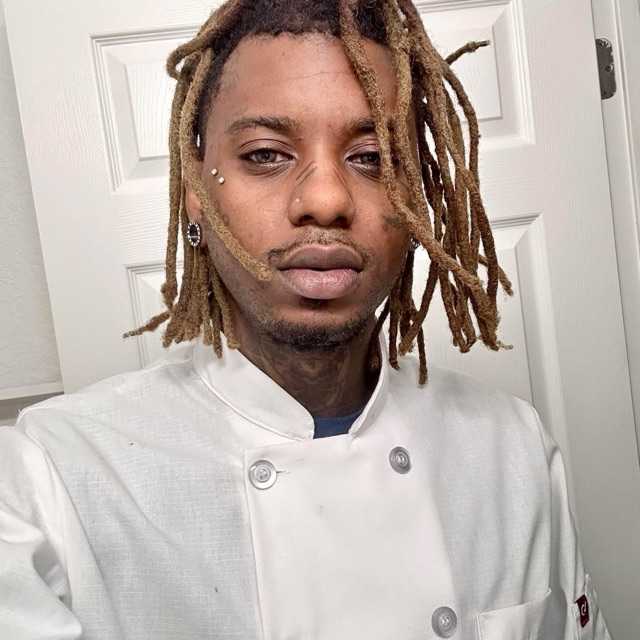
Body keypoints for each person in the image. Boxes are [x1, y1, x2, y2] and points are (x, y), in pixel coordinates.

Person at [0, 0, 613, 638]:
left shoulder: (514, 448)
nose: (325, 198)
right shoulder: (46, 480)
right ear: (197, 193)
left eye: (373, 157)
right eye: (266, 154)